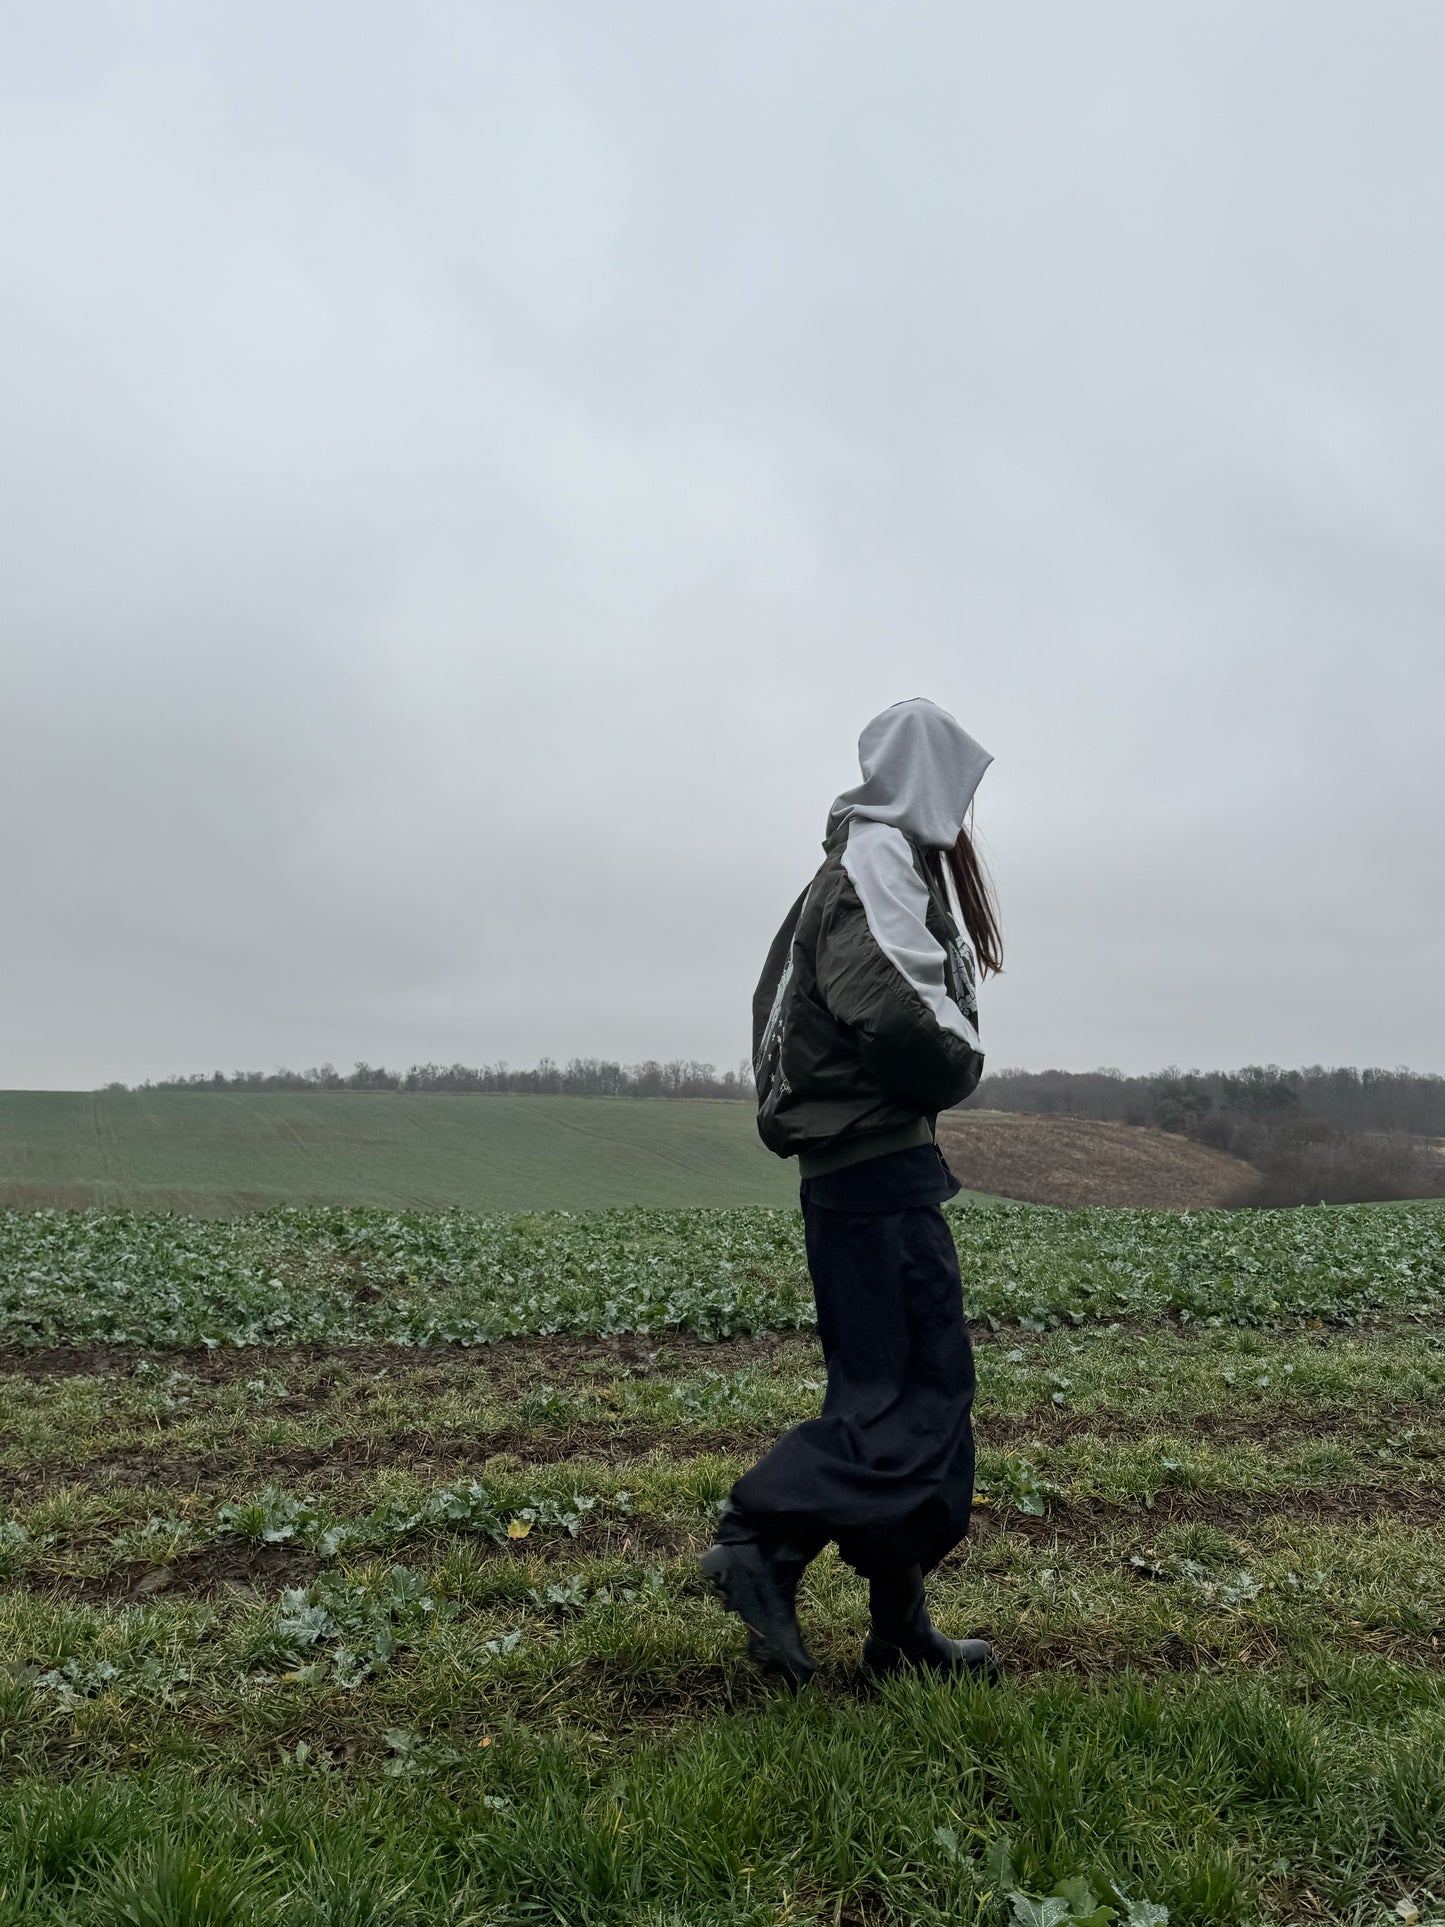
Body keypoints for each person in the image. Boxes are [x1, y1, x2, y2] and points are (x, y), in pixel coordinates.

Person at [700, 698, 1001, 1689]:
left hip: (862, 1167)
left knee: (897, 1394)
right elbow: (896, 1008)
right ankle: (758, 1538)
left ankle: (895, 1625)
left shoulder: (874, 855)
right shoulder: (877, 854)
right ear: (931, 780)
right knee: (911, 1397)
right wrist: (962, 1062)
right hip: (873, 1169)